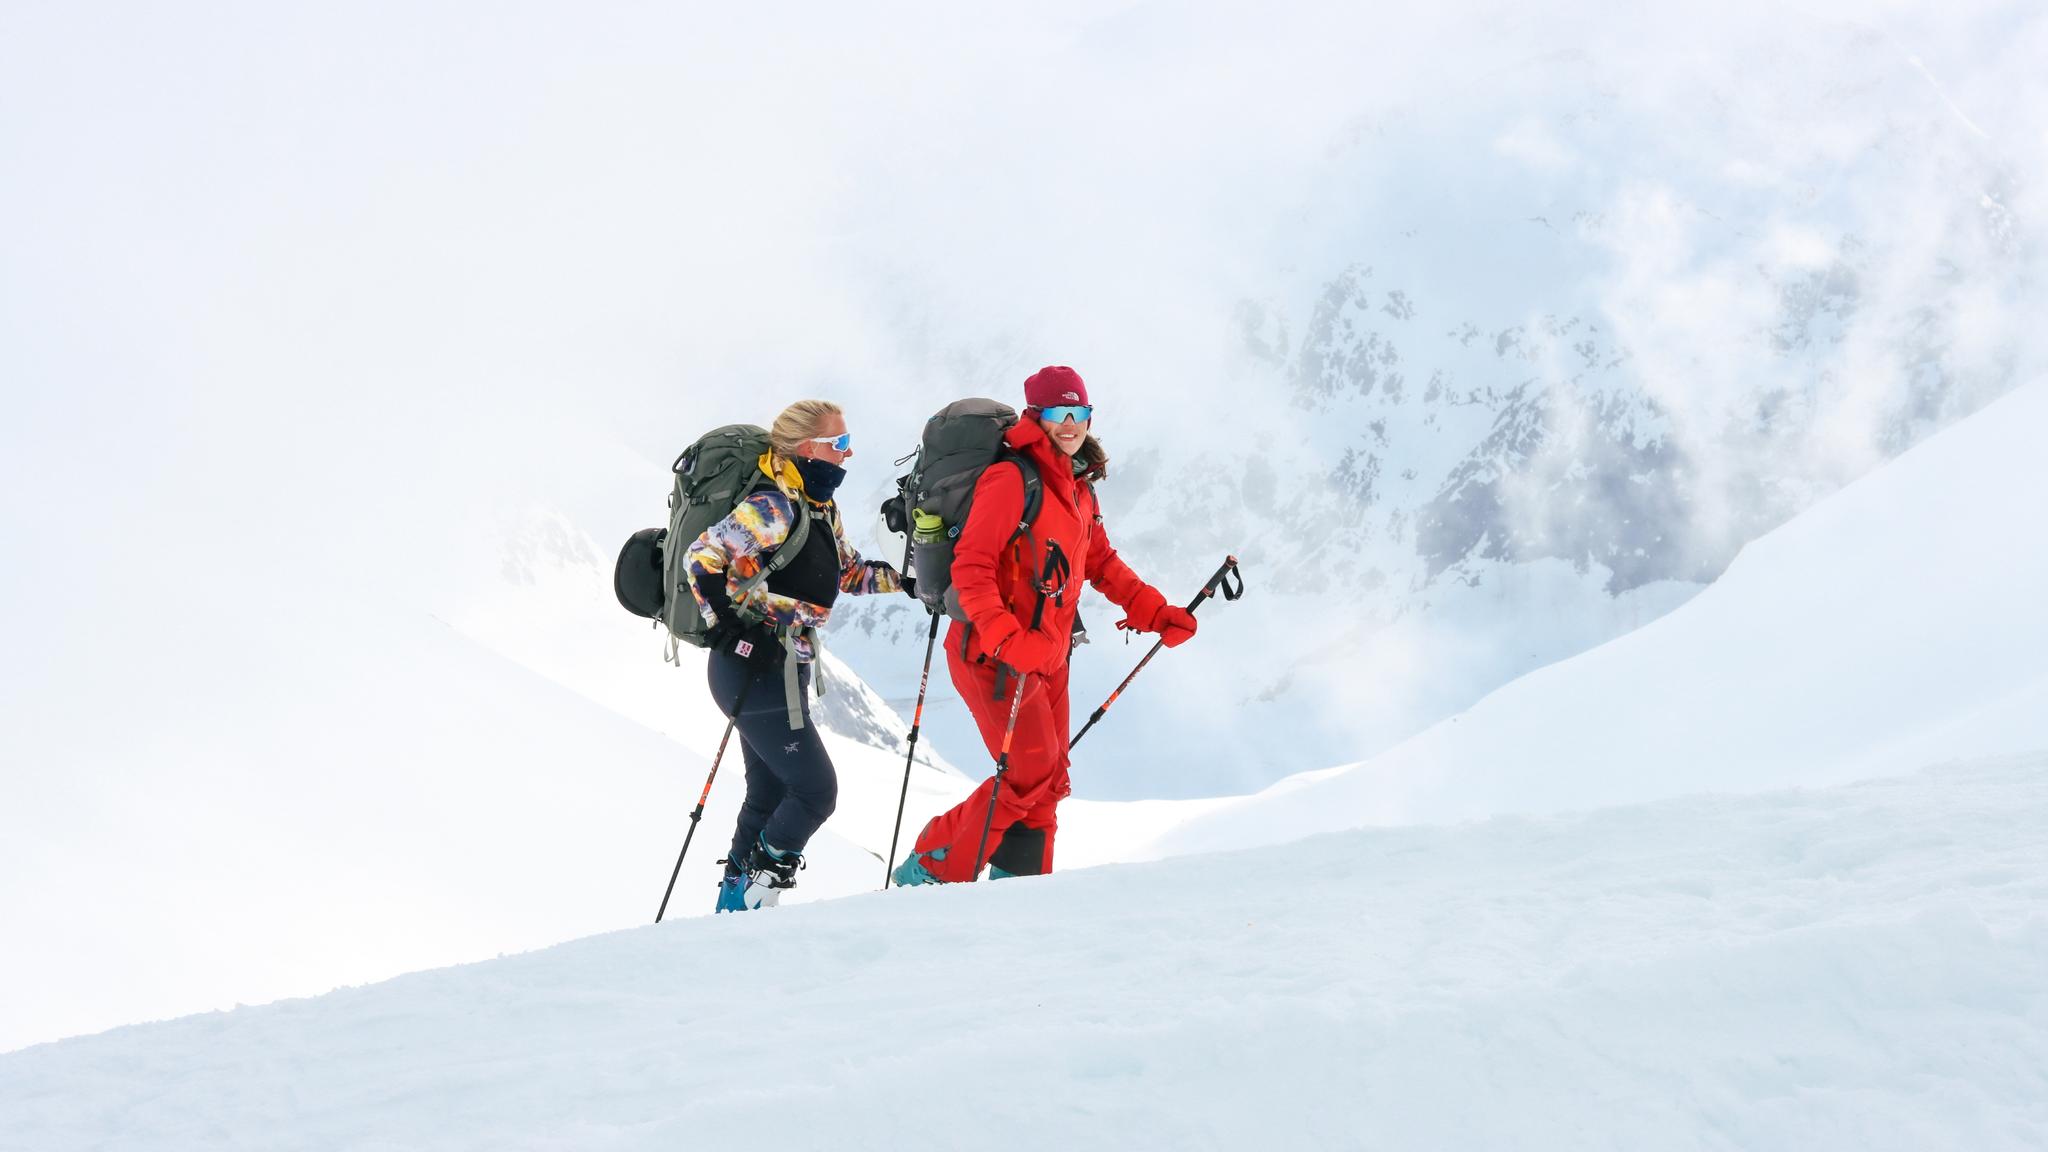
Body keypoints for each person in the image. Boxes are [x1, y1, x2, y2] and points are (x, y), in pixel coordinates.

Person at [893, 366, 1196, 885]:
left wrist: (1154, 611)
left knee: (1049, 780)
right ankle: (932, 862)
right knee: (1030, 772)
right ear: (1038, 414)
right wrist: (1009, 640)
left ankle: (1022, 891)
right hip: (991, 655)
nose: (1071, 424)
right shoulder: (1011, 479)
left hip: (1050, 656)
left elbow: (1100, 563)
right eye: (1060, 413)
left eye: (1080, 413)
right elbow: (971, 569)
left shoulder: (1079, 489)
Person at [685, 399, 909, 911]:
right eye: (841, 445)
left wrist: (910, 580)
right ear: (808, 448)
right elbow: (701, 556)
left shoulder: (817, 507)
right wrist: (727, 626)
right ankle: (761, 899)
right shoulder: (773, 506)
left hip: (785, 666)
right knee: (815, 791)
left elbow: (849, 574)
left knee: (768, 792)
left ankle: (733, 910)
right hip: (753, 666)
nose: (848, 456)